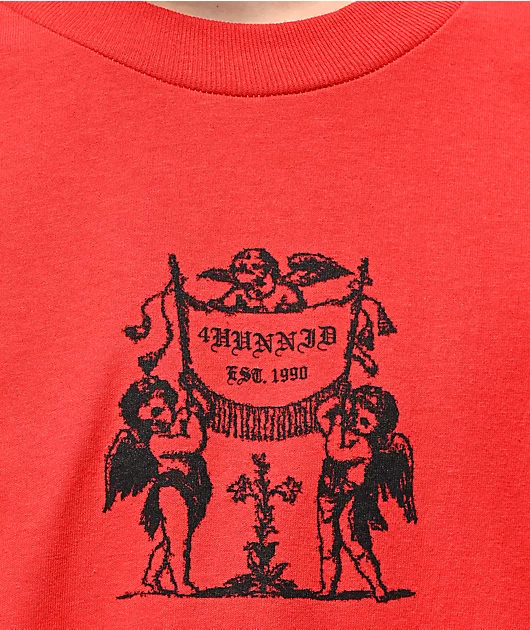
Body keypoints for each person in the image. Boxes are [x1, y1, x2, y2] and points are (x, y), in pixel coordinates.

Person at [104, 375, 212, 595]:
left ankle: (151, 577)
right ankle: (181, 583)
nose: (155, 420)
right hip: (171, 489)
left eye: (159, 411)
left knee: (171, 539)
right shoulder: (156, 441)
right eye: (147, 419)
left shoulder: (177, 425)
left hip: (191, 488)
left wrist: (191, 412)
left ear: (171, 406)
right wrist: (191, 419)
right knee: (178, 540)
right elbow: (193, 444)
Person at [316, 384, 417, 601]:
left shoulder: (364, 446)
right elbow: (321, 413)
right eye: (354, 416)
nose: (356, 424)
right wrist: (337, 401)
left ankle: (377, 585)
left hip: (349, 497)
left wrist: (337, 423)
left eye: (364, 422)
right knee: (328, 544)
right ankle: (327, 587)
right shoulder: (343, 431)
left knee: (352, 540)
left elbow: (335, 453)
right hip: (327, 494)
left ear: (377, 428)